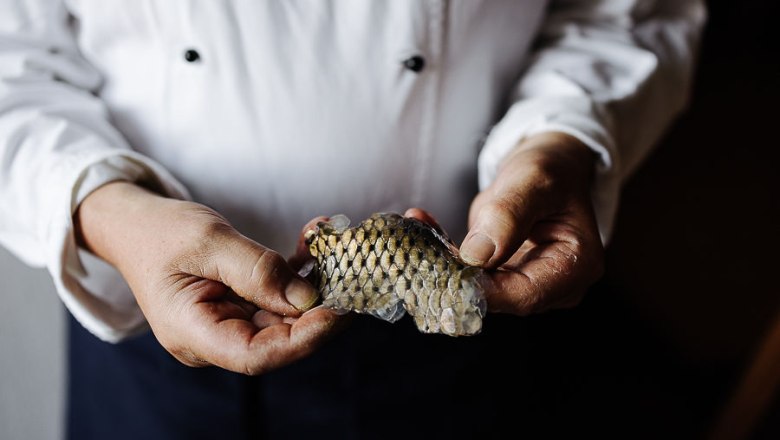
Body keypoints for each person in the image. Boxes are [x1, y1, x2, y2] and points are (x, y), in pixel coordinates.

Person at [0, 1, 706, 438]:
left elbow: (623, 13)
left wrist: (560, 145)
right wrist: (106, 211)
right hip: (147, 329)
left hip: (469, 326)